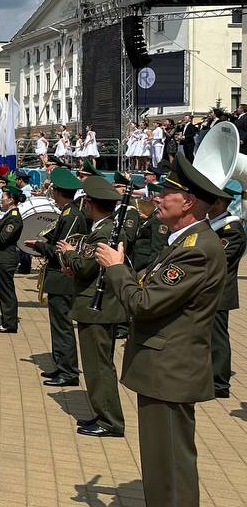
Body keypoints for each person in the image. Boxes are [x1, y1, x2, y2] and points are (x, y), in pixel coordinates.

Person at [93, 154, 226, 507]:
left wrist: (116, 269)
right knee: (160, 466)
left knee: (170, 469)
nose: (157, 197)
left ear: (189, 202)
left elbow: (144, 303)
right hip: (162, 369)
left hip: (170, 371)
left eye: (166, 192)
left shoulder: (196, 249)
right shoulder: (182, 242)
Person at [57, 175, 127, 438]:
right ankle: (103, 413)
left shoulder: (104, 231)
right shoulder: (102, 228)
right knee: (97, 365)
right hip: (93, 305)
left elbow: (85, 266)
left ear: (89, 204)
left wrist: (68, 252)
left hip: (98, 308)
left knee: (99, 367)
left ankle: (110, 420)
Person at [27, 167, 85, 387]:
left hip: (62, 278)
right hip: (58, 279)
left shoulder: (71, 215)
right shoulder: (68, 213)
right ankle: (61, 365)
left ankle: (68, 372)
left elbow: (62, 251)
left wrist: (40, 246)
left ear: (58, 192)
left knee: (62, 326)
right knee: (57, 324)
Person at [208, 187, 244, 398]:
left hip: (221, 292)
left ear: (220, 203)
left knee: (218, 337)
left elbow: (219, 259)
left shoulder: (232, 229)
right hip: (211, 290)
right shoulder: (214, 225)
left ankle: (220, 384)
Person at [0, 185, 25, 334]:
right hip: (2, 258)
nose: (1, 200)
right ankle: (7, 320)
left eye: (4, 198)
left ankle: (9, 323)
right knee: (4, 291)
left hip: (6, 258)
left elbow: (2, 238)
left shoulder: (14, 218)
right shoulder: (9, 214)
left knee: (6, 292)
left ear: (11, 200)